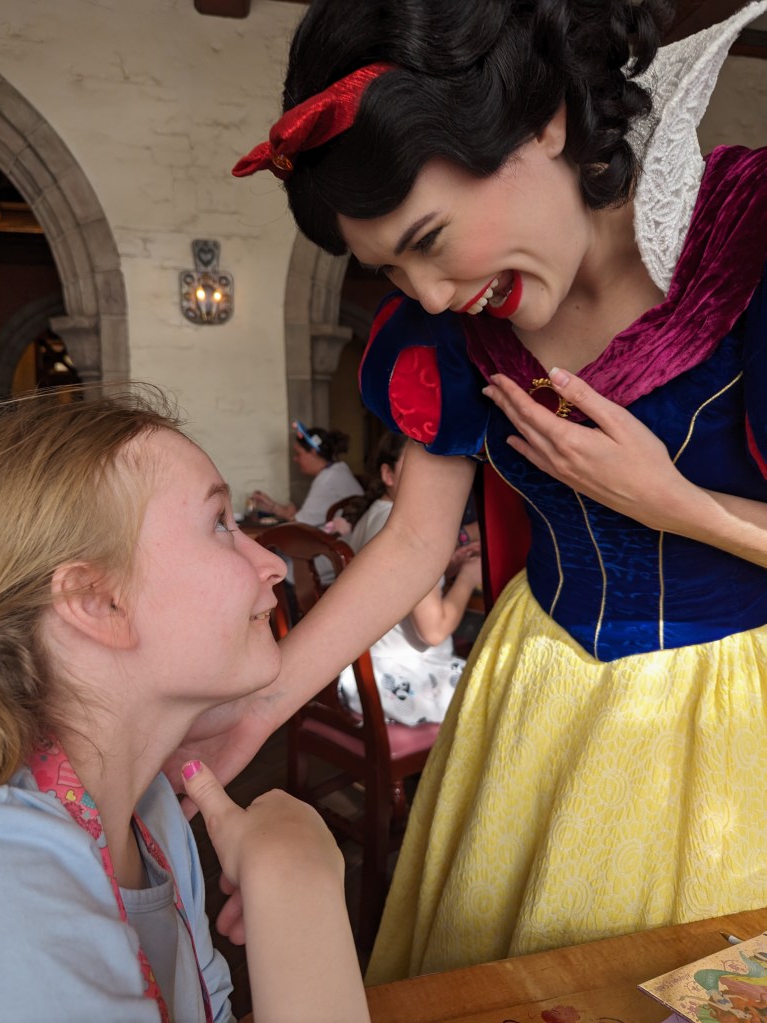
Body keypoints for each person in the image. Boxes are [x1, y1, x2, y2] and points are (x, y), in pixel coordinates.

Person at [189, 0, 767, 983]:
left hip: (732, 716)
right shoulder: (452, 334)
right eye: (389, 269)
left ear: (543, 121)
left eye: (429, 238)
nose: (428, 294)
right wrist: (259, 705)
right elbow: (414, 542)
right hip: (533, 692)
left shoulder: (745, 246)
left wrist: (675, 504)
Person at [0, 388, 370, 1023]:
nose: (272, 564)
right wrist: (295, 880)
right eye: (220, 523)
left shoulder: (153, 808)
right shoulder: (16, 893)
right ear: (98, 603)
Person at [337, 432, 483, 725]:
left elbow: (392, 589)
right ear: (388, 474)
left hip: (361, 674)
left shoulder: (376, 515)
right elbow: (434, 631)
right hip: (402, 683)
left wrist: (445, 570)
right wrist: (468, 578)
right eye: (420, 465)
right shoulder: (411, 532)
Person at [250, 421, 362, 526]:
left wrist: (281, 510)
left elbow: (299, 524)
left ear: (313, 453)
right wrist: (273, 506)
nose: (295, 459)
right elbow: (307, 517)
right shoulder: (339, 469)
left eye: (298, 454)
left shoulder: (326, 480)